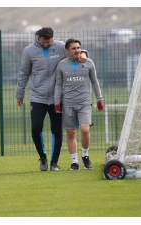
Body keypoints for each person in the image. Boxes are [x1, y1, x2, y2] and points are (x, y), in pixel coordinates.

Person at [15, 27, 88, 171]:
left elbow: (76, 50)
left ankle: (54, 162)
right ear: (39, 38)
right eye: (44, 42)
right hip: (37, 96)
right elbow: (23, 73)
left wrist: (85, 53)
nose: (47, 44)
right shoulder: (29, 51)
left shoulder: (61, 47)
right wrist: (20, 93)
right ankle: (43, 157)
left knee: (57, 130)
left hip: (57, 97)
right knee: (36, 127)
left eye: (49, 42)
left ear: (52, 38)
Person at [54, 38, 104, 170]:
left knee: (85, 130)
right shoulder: (61, 65)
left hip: (84, 103)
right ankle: (74, 162)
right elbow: (58, 84)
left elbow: (94, 82)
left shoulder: (88, 63)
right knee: (71, 133)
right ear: (67, 51)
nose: (77, 50)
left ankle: (85, 156)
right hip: (68, 104)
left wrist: (100, 99)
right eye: (73, 48)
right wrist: (56, 102)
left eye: (78, 48)